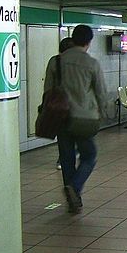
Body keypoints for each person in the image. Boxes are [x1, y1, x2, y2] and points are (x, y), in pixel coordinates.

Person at [43, 24, 112, 213]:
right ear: (89, 42)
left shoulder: (55, 62)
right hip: (85, 119)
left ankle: (73, 199)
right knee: (89, 156)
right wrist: (103, 115)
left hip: (61, 117)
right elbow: (101, 93)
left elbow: (48, 91)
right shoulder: (91, 63)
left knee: (66, 158)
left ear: (73, 39)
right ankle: (75, 187)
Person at [55, 37, 75, 171]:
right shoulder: (83, 61)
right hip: (78, 108)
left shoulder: (55, 62)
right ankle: (74, 184)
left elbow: (48, 87)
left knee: (63, 139)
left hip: (59, 107)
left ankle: (62, 160)